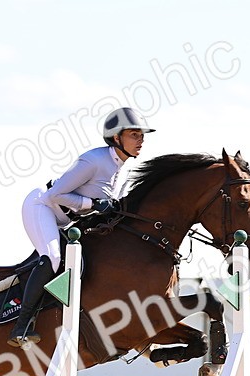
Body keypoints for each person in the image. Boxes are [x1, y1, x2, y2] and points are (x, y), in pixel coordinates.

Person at [8, 107, 155, 347]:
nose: (141, 140)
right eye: (134, 134)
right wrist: (94, 204)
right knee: (54, 257)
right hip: (42, 206)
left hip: (67, 219)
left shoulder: (122, 169)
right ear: (116, 137)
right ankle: (21, 326)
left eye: (142, 135)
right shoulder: (95, 160)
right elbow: (57, 194)